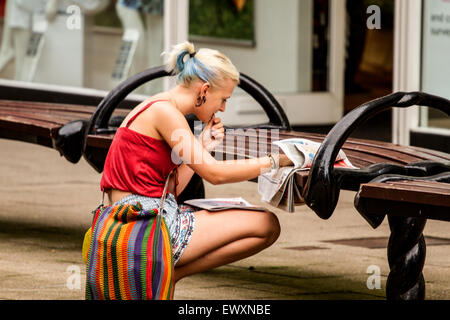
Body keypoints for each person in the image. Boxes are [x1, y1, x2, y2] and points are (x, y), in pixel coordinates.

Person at [99, 41, 293, 295]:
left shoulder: (158, 106)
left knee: (260, 222)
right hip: (144, 228)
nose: (222, 108)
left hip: (134, 219)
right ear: (203, 90)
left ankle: (169, 274)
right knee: (266, 225)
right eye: (223, 99)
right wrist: (274, 161)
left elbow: (167, 186)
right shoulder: (165, 113)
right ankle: (173, 273)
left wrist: (203, 145)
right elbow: (215, 174)